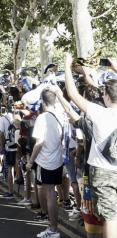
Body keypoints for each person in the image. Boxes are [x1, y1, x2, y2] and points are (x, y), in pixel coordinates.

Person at [64, 54, 117, 238]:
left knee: (110, 218)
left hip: (102, 172)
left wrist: (67, 66)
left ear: (107, 97)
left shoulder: (100, 114)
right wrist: (115, 67)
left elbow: (72, 94)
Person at [26, 89, 64, 238]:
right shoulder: (60, 116)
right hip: (57, 160)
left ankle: (53, 229)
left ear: (42, 102)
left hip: (46, 161)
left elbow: (39, 143)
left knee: (50, 195)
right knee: (52, 194)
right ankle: (53, 227)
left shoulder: (42, 118)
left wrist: (30, 162)